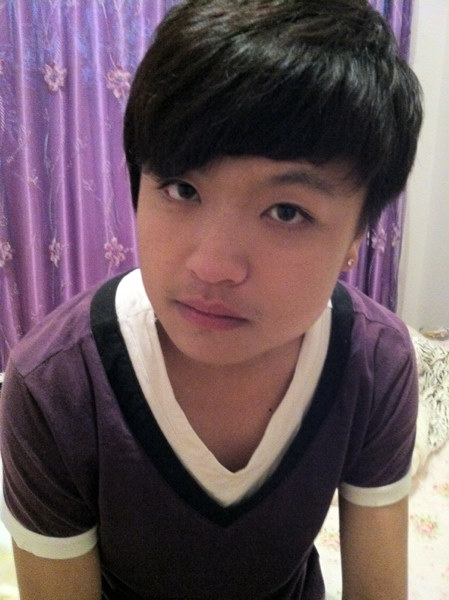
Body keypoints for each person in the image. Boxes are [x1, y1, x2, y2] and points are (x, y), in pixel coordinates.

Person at [0, 0, 422, 598]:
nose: (212, 266)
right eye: (181, 188)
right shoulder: (56, 388)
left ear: (357, 237)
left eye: (287, 211)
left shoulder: (375, 364)